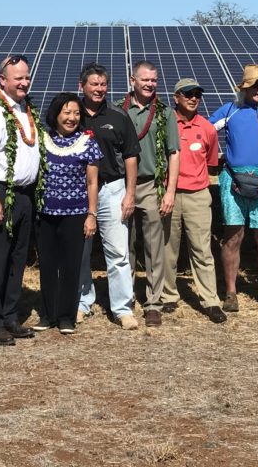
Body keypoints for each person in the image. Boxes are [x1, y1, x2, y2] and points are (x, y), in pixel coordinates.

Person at [208, 64, 258, 314]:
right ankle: (231, 292)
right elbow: (205, 133)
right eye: (255, 85)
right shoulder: (229, 110)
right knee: (233, 236)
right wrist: (210, 160)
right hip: (232, 180)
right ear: (245, 87)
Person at [0, 54, 42, 345]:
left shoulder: (26, 108)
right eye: (18, 78)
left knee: (17, 258)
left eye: (27, 77)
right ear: (3, 80)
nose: (24, 82)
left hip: (24, 194)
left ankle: (11, 315)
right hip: (0, 193)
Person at [75, 62, 141, 329]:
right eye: (94, 84)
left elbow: (131, 156)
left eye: (103, 84)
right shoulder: (71, 113)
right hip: (78, 190)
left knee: (118, 252)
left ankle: (122, 308)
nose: (99, 89)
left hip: (113, 188)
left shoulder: (118, 115)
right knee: (80, 250)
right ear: (82, 86)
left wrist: (130, 194)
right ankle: (81, 303)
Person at [119, 60, 180, 327]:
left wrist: (170, 192)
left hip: (153, 186)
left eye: (154, 80)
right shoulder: (119, 111)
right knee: (125, 244)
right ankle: (126, 297)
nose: (149, 84)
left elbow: (173, 153)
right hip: (122, 185)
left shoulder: (165, 113)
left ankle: (153, 303)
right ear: (133, 81)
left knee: (155, 248)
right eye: (145, 80)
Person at [162, 78, 227, 324]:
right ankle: (169, 295)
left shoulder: (207, 128)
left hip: (198, 195)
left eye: (197, 94)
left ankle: (210, 301)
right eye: (187, 93)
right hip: (170, 194)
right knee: (168, 248)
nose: (193, 98)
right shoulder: (166, 124)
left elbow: (211, 163)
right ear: (176, 97)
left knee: (202, 249)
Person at [36, 93, 102, 334]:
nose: (72, 118)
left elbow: (92, 182)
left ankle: (66, 317)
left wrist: (91, 214)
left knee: (71, 265)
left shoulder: (87, 143)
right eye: (67, 112)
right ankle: (47, 314)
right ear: (56, 114)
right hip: (45, 213)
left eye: (76, 113)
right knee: (47, 264)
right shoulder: (42, 139)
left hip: (75, 213)